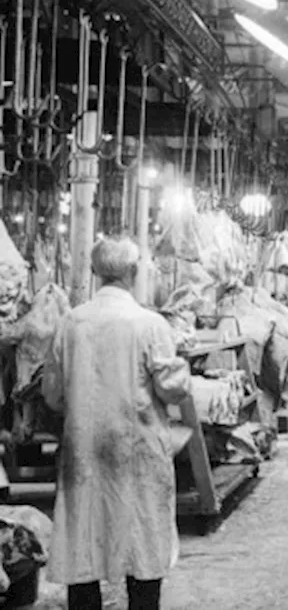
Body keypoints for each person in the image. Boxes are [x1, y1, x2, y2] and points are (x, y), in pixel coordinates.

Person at [43, 237, 192, 610]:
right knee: (141, 542)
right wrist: (181, 367)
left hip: (85, 451)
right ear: (134, 272)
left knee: (84, 543)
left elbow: (53, 393)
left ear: (95, 272)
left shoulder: (71, 323)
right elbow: (172, 389)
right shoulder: (150, 323)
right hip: (138, 451)